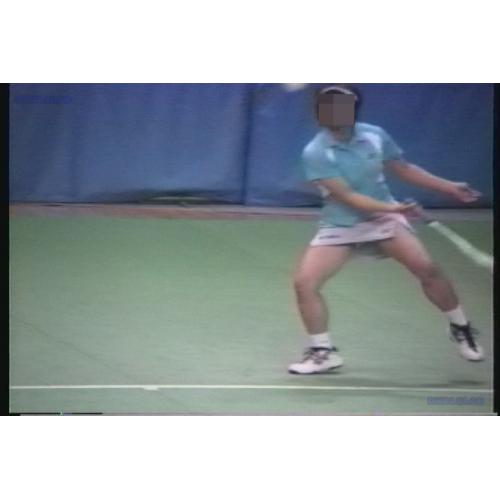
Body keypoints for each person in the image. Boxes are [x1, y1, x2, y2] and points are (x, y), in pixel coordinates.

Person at [288, 85, 484, 375]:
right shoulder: (316, 152)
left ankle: (460, 327)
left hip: (382, 220)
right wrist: (394, 209)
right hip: (342, 222)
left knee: (427, 269)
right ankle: (322, 352)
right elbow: (349, 197)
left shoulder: (374, 135)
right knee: (305, 283)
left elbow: (403, 169)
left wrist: (449, 187)